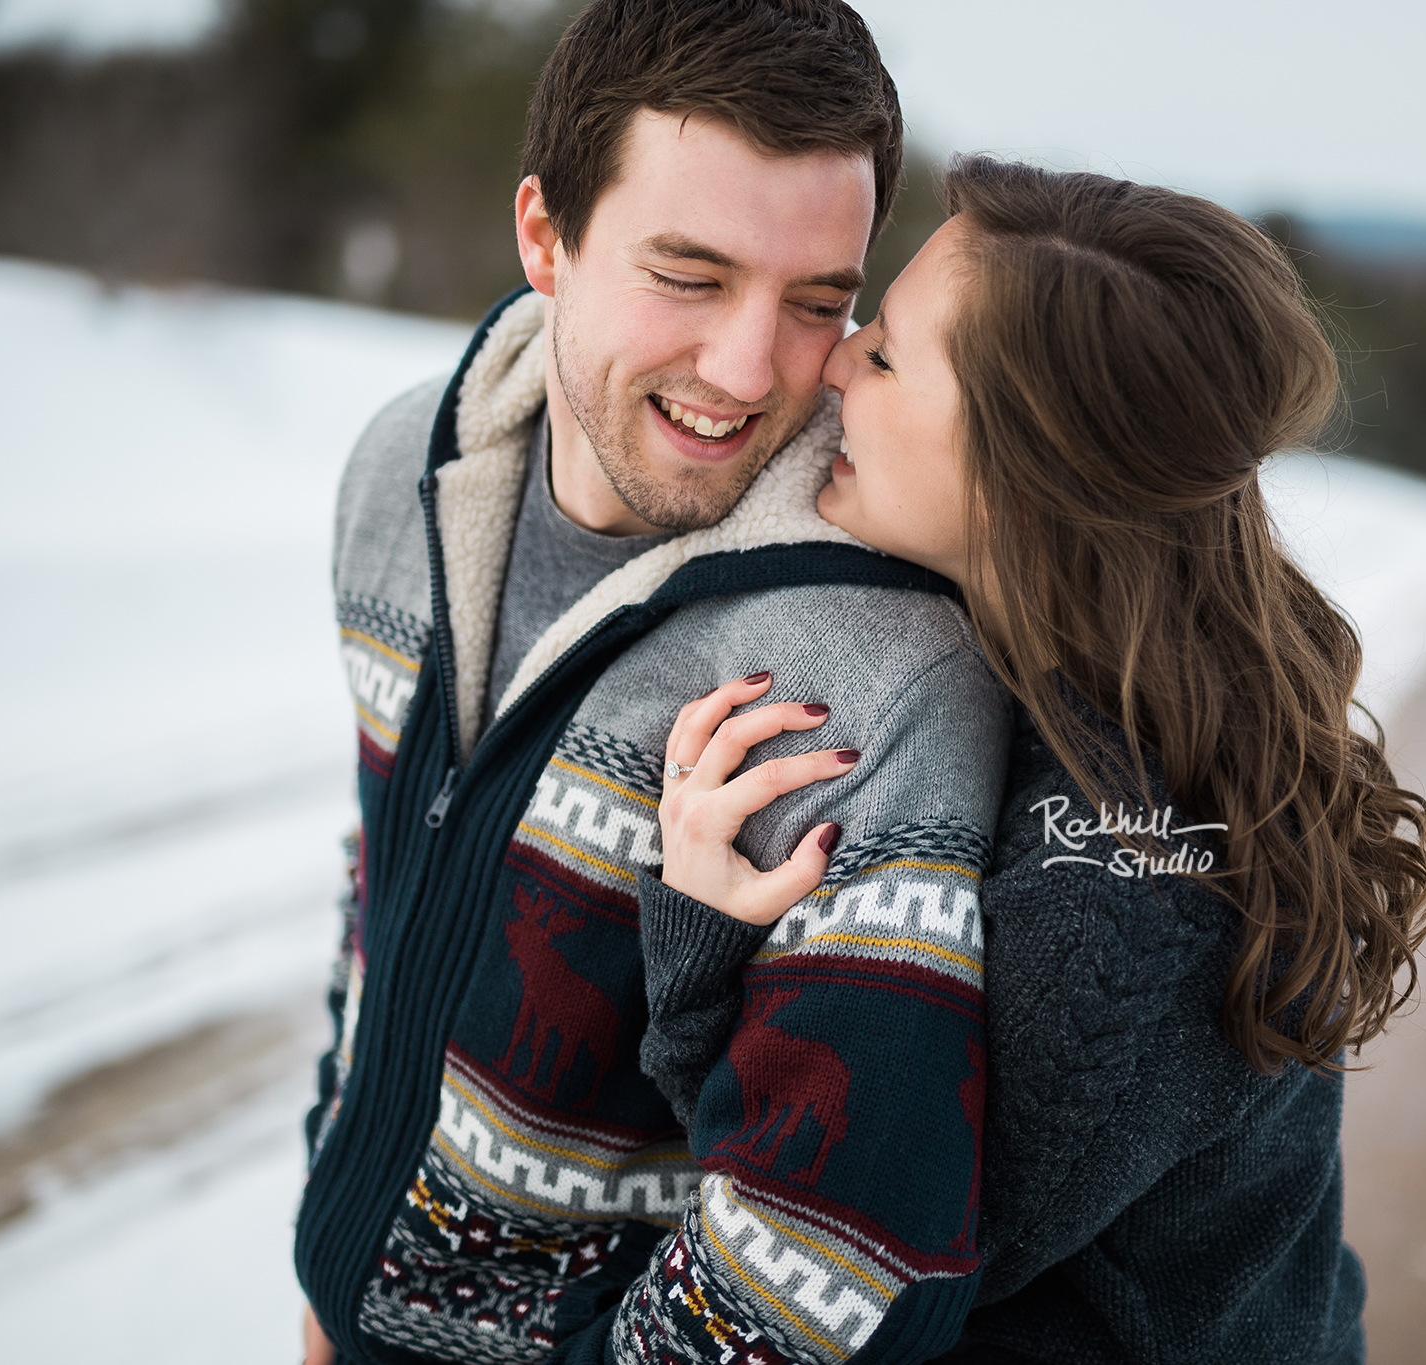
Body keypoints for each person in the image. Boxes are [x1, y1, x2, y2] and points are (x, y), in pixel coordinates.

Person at [637, 157, 1426, 1363]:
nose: (841, 357)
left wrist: (702, 953)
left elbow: (857, 1246)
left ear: (1028, 479)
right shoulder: (1108, 688)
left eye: (892, 355)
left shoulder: (1118, 892)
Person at [300, 4, 1009, 1363]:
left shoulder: (888, 670)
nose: (750, 372)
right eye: (690, 275)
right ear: (543, 237)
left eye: (819, 302)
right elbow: (378, 911)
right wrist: (333, 1271)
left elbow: (835, 1257)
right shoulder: (401, 476)